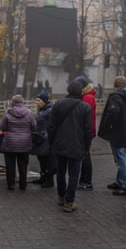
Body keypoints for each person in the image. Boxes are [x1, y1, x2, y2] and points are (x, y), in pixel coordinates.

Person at [48, 81, 92, 212]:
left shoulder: (58, 104)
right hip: (77, 145)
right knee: (74, 174)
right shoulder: (85, 107)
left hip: (60, 144)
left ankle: (61, 196)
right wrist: (86, 146)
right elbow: (88, 130)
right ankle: (69, 201)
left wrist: (52, 142)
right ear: (80, 92)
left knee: (61, 172)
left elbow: (51, 126)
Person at [98, 75, 126, 196]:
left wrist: (107, 126)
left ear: (115, 85)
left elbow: (112, 113)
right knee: (121, 156)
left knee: (120, 158)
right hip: (125, 131)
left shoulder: (115, 98)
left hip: (116, 132)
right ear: (125, 85)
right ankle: (119, 181)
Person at [0, 94, 36, 191]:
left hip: (10, 143)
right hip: (25, 142)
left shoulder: (8, 113)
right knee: (23, 164)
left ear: (13, 102)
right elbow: (34, 126)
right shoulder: (29, 113)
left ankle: (11, 185)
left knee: (10, 165)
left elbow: (2, 127)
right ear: (22, 102)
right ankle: (23, 185)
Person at [74, 76, 97, 190]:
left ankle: (86, 180)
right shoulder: (88, 96)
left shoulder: (87, 97)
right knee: (85, 155)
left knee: (85, 155)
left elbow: (86, 116)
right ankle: (85, 179)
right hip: (87, 130)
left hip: (86, 131)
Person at [30, 91, 55, 187]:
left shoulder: (50, 111)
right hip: (39, 139)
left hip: (46, 139)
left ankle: (50, 180)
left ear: (44, 101)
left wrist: (47, 135)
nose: (37, 102)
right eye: (36, 100)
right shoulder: (42, 110)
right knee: (41, 159)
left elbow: (52, 125)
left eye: (39, 100)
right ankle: (43, 177)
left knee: (47, 160)